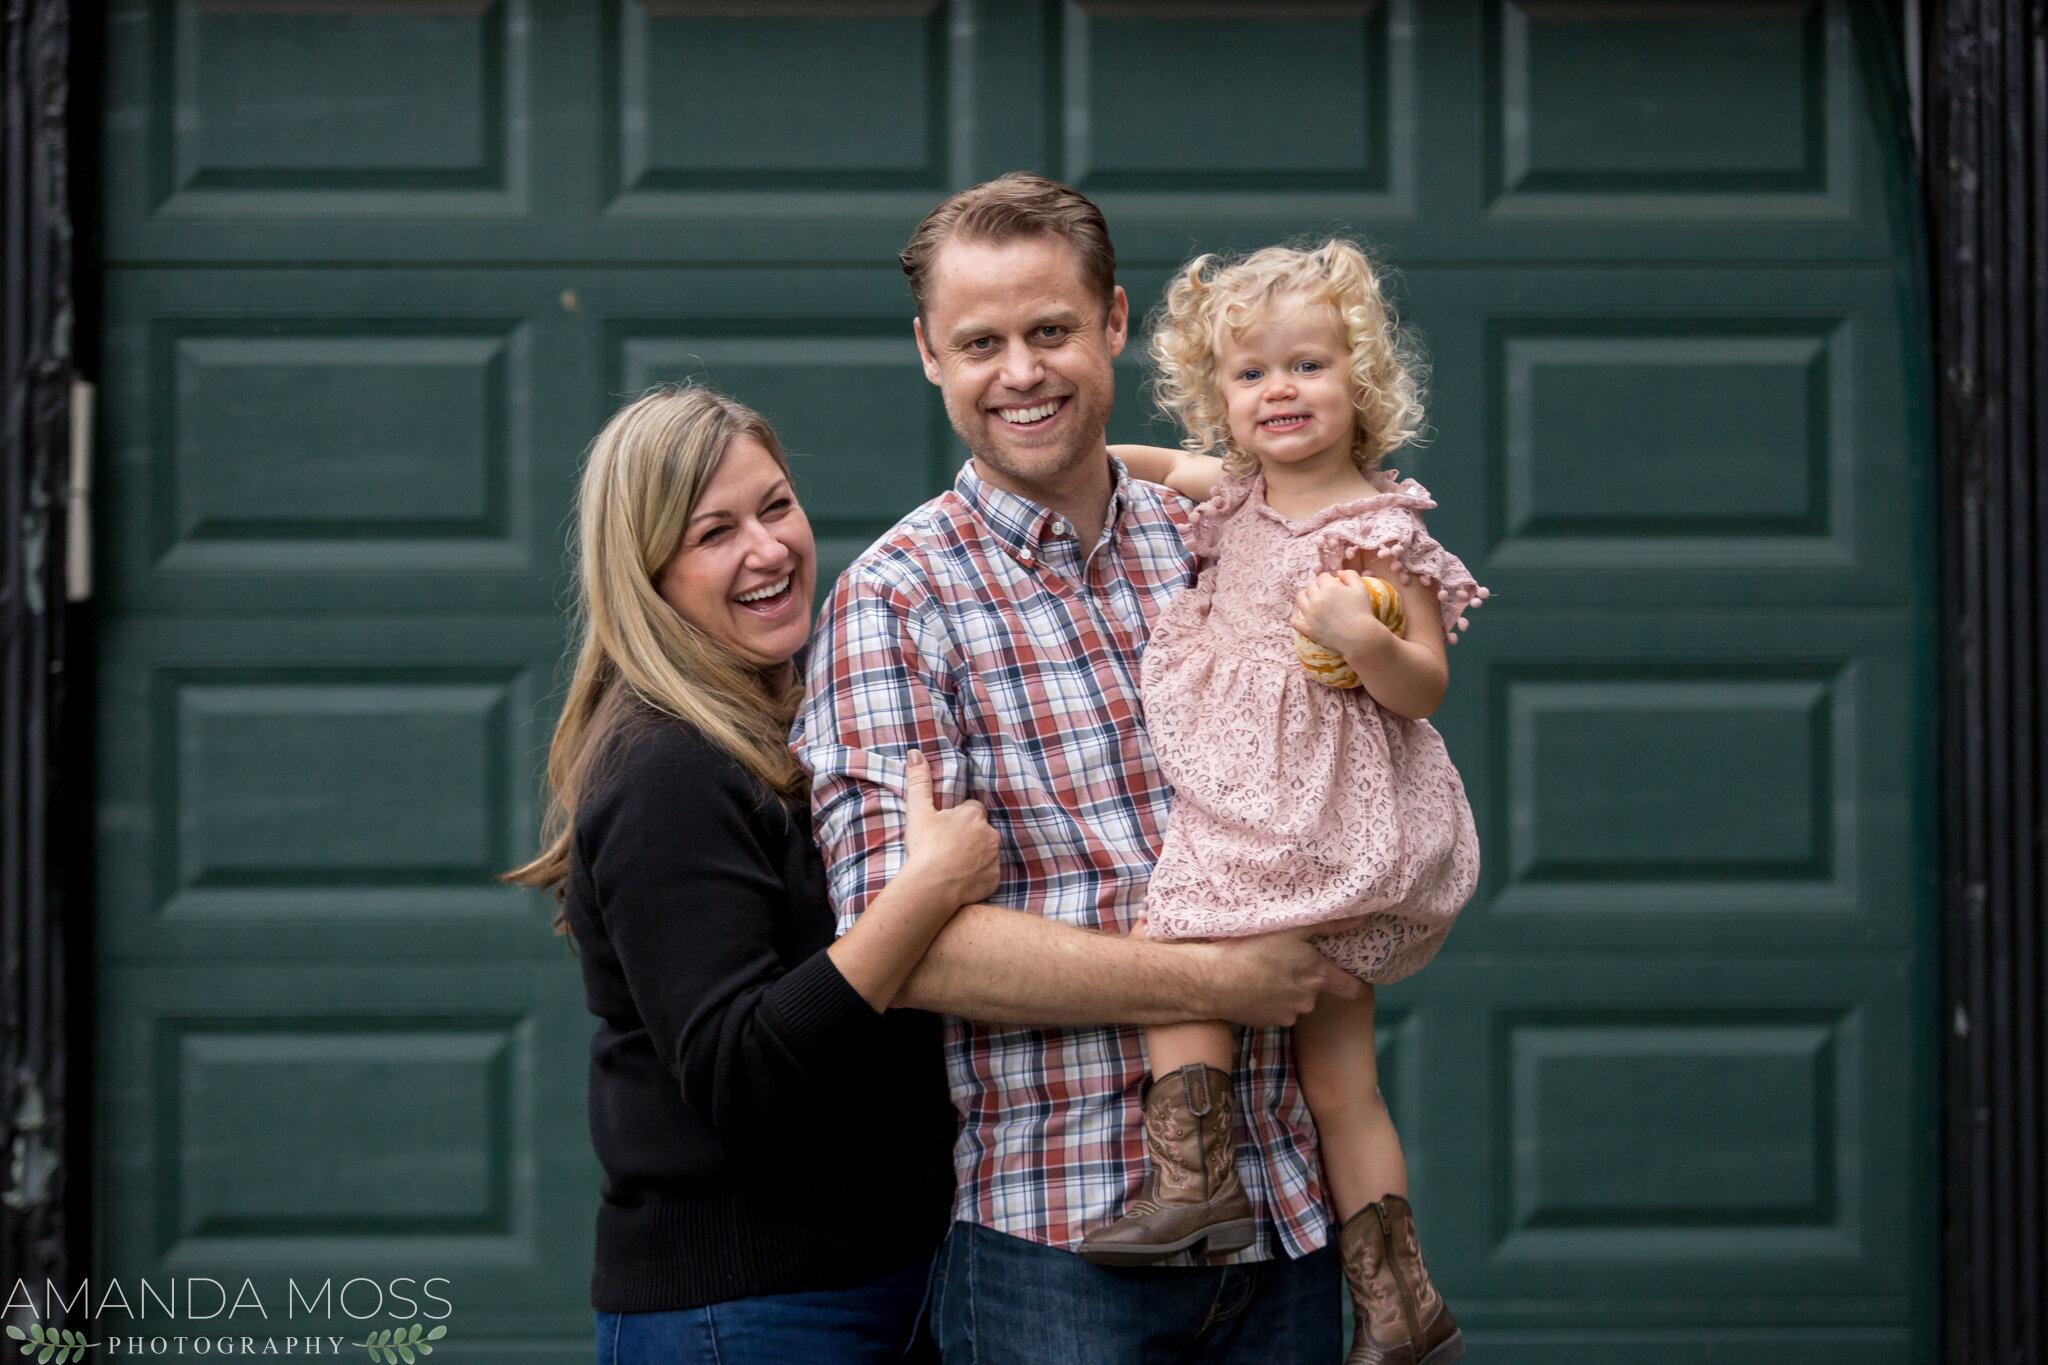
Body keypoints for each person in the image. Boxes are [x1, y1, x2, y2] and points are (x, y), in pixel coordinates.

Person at [792, 173, 1364, 1365]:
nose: (1020, 373)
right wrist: (1213, 983)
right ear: (926, 356)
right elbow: (907, 948)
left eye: (1050, 330)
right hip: (1058, 1248)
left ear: (1112, 322)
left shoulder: (1221, 545)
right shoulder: (897, 604)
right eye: (979, 344)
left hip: (1289, 1222)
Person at [506, 385, 1000, 1365]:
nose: (766, 550)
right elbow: (739, 1071)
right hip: (746, 1314)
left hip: (883, 1283)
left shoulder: (798, 715)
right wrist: (924, 895)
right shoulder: (665, 770)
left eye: (775, 506)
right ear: (647, 573)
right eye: (713, 533)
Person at [1093, 241, 1485, 1365]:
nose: (1279, 391)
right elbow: (1155, 469)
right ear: (1217, 396)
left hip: (1310, 815)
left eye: (1306, 366)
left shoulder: (1380, 529)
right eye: (1249, 373)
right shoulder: (1241, 495)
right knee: (1337, 1075)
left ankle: (1196, 1187)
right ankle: (1402, 1308)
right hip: (1289, 806)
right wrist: (1089, 457)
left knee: (1181, 948)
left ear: (1359, 383)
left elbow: (1421, 686)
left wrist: (1360, 636)